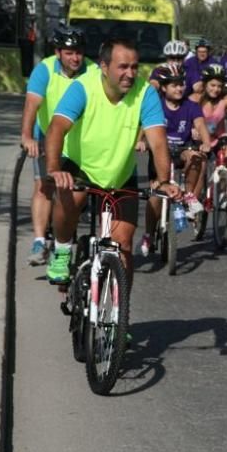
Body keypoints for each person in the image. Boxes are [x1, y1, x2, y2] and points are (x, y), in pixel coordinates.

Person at [43, 38, 181, 284]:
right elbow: (56, 128)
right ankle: (62, 249)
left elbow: (158, 142)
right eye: (123, 67)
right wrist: (54, 169)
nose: (130, 74)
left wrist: (163, 181)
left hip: (119, 174)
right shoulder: (82, 87)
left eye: (135, 67)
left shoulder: (145, 93)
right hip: (79, 166)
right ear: (104, 67)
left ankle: (118, 314)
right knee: (68, 197)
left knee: (123, 245)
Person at [20, 26, 93, 266]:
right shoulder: (45, 70)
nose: (75, 58)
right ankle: (40, 241)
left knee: (78, 192)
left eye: (79, 52)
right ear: (58, 52)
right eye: (70, 52)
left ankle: (68, 234)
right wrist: (27, 136)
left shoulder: (92, 70)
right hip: (47, 137)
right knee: (43, 186)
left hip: (80, 142)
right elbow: (32, 104)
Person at [138, 64, 211, 257]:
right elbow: (143, 126)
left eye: (181, 84)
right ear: (163, 88)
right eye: (173, 85)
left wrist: (206, 142)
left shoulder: (191, 106)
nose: (179, 88)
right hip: (160, 156)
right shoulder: (155, 105)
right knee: (155, 197)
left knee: (195, 157)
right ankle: (148, 234)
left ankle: (188, 194)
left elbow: (201, 124)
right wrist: (140, 141)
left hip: (182, 151)